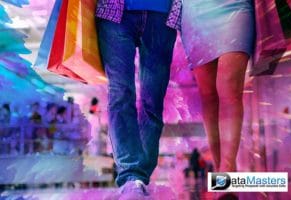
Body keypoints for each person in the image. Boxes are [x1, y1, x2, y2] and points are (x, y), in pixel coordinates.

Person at [95, 0, 181, 198]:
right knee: (120, 93)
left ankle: (139, 179)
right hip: (114, 11)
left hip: (162, 14)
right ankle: (131, 176)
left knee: (153, 101)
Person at [181, 1, 254, 199]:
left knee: (230, 89)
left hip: (235, 5)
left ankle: (227, 171)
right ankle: (222, 171)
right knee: (209, 96)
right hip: (195, 10)